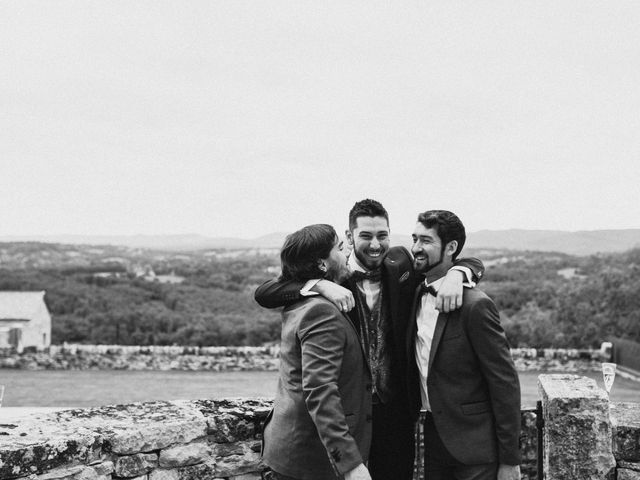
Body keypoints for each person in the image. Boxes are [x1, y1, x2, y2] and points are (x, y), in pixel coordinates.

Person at [256, 199, 485, 480]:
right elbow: (266, 292)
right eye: (366, 236)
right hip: (350, 408)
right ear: (350, 237)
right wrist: (317, 284)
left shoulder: (401, 264)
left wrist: (459, 273)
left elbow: (464, 259)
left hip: (396, 411)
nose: (375, 245)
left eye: (382, 235)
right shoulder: (332, 274)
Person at [407, 210, 521, 480]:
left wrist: (510, 461)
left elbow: (504, 382)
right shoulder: (414, 290)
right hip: (434, 442)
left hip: (477, 451)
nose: (415, 248)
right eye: (414, 239)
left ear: (451, 248)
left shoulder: (476, 306)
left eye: (425, 241)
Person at [262, 224, 372, 480]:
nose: (347, 253)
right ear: (322, 263)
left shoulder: (300, 302)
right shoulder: (320, 312)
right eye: (340, 248)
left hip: (295, 453)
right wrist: (350, 463)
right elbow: (319, 390)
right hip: (311, 461)